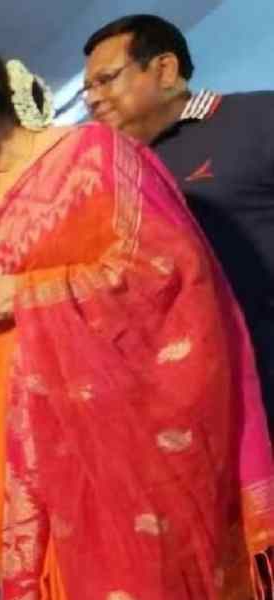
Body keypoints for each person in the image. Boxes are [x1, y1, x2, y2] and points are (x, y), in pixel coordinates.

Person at [0, 44, 274, 598]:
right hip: (27, 432)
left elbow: (167, 267)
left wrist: (32, 293)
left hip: (122, 430)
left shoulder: (94, 153)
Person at [82, 14, 274, 431]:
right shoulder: (120, 173)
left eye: (106, 79)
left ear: (165, 69)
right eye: (86, 89)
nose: (93, 99)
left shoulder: (259, 118)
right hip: (214, 397)